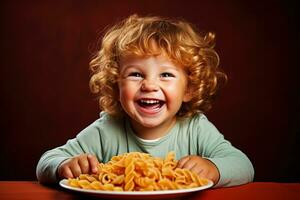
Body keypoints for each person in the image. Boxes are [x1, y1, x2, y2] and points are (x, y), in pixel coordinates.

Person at [36, 14, 254, 187]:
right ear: (116, 84)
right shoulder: (106, 130)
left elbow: (243, 165)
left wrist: (214, 168)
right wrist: (64, 166)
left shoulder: (195, 128)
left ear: (189, 89)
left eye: (166, 75)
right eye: (136, 74)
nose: (149, 85)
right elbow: (46, 162)